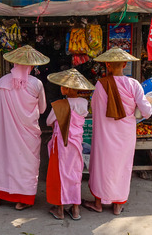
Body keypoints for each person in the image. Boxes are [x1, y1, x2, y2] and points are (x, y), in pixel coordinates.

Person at [82, 47, 152, 215]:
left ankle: (99, 203)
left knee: (102, 166)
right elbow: (146, 111)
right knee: (122, 167)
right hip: (126, 134)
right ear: (125, 64)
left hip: (104, 134)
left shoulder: (101, 84)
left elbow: (94, 108)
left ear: (107, 65)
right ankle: (117, 205)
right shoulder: (133, 84)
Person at [0, 45, 48, 210]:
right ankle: (23, 200)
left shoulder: (2, 82)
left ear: (13, 63)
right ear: (32, 66)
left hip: (6, 133)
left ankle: (0, 196)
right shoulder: (36, 83)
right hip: (28, 134)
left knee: (4, 159)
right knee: (26, 164)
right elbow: (42, 109)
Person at [45, 68, 95, 220]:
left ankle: (60, 210)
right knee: (75, 175)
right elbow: (82, 115)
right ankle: (75, 210)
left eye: (62, 85)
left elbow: (48, 121)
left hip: (61, 144)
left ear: (66, 88)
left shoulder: (60, 104)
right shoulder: (83, 103)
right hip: (76, 144)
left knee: (60, 174)